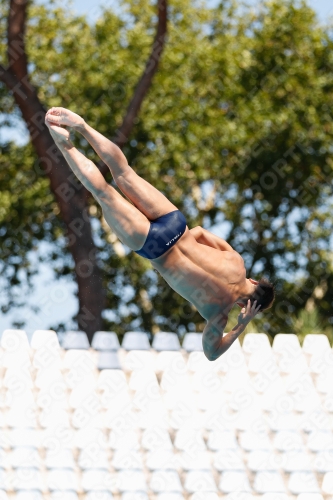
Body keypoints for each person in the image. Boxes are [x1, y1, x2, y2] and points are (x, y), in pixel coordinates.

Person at [45, 107, 274, 360]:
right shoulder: (218, 312)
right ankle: (62, 142)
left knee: (124, 172)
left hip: (174, 224)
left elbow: (198, 232)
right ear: (245, 306)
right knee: (103, 192)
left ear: (254, 282)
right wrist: (241, 325)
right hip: (155, 248)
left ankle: (82, 126)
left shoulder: (237, 261)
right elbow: (211, 352)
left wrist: (185, 242)